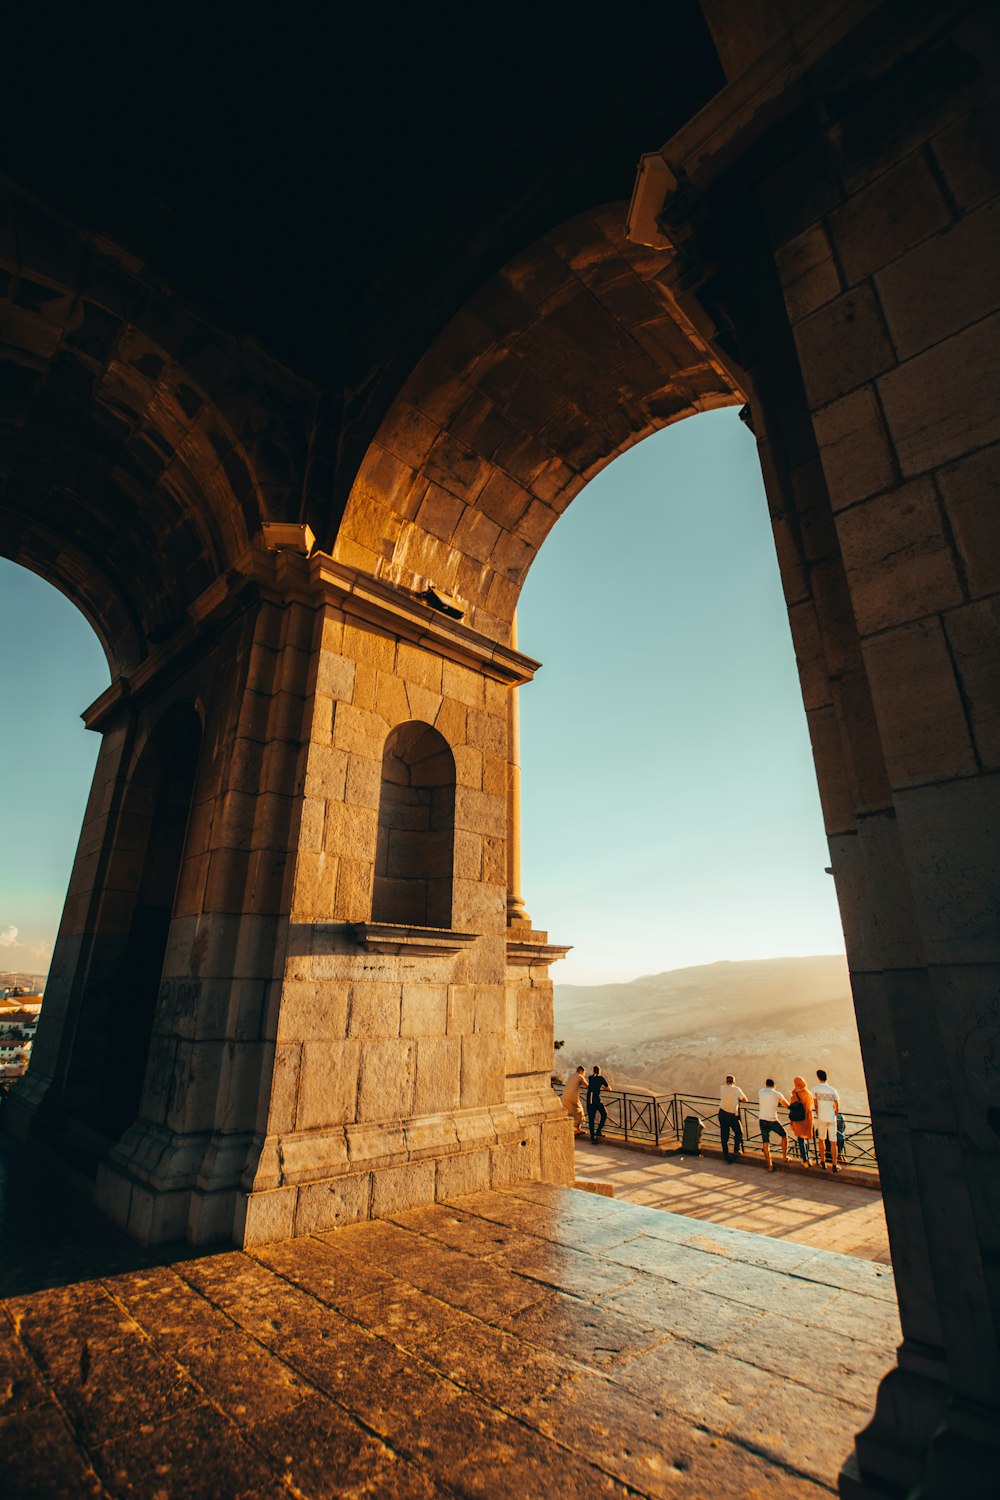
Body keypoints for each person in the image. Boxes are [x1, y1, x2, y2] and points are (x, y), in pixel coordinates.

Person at [758, 1077, 789, 1172]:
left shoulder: (761, 1091)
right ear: (774, 1086)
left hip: (762, 1119)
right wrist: (778, 1103)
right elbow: (787, 1105)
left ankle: (770, 1165)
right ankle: (784, 1156)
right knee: (784, 1135)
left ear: (766, 1085)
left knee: (765, 1142)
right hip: (772, 1120)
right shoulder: (777, 1094)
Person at [814, 1069, 841, 1171]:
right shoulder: (832, 1090)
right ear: (827, 1078)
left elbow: (815, 1105)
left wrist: (819, 1113)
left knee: (821, 1140)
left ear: (818, 1077)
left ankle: (823, 1162)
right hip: (831, 1117)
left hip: (822, 1117)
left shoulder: (815, 1089)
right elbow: (837, 1106)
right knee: (833, 1142)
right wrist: (834, 1113)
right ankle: (834, 1164)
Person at [719, 1074, 748, 1163]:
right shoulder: (736, 1089)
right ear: (734, 1082)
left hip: (722, 1113)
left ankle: (726, 1156)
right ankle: (736, 1150)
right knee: (739, 1132)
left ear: (726, 1081)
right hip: (732, 1115)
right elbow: (745, 1099)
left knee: (724, 1136)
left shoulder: (722, 1088)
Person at [787, 1076, 814, 1164]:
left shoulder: (794, 1094)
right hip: (806, 1118)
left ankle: (805, 1159)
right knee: (806, 1137)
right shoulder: (807, 1093)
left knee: (800, 1139)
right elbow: (810, 1105)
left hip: (798, 1119)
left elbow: (791, 1106)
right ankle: (809, 1158)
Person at [586, 1065, 610, 1142]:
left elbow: (591, 1085)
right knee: (604, 1114)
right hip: (596, 1099)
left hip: (589, 1099)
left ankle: (592, 1137)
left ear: (593, 1071)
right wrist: (602, 1087)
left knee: (591, 1118)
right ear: (599, 1071)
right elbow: (609, 1088)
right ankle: (598, 1131)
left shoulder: (590, 1078)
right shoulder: (601, 1078)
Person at [561, 1065, 586, 1133]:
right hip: (572, 1098)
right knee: (580, 1112)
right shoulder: (580, 1077)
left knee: (568, 1113)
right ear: (582, 1071)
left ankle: (566, 1128)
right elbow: (587, 1085)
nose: (584, 1074)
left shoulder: (571, 1076)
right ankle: (578, 1129)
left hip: (564, 1097)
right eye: (584, 1072)